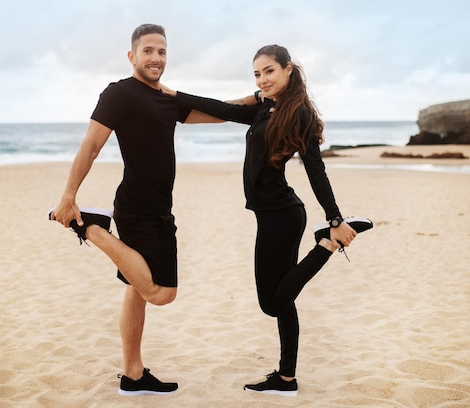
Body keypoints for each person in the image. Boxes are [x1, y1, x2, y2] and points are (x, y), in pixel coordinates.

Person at [161, 44, 371, 396]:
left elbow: (315, 169)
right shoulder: (263, 107)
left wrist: (334, 217)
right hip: (272, 214)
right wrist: (176, 96)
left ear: (288, 69)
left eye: (269, 71)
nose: (263, 79)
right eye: (257, 74)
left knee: (271, 303)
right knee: (283, 299)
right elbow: (222, 109)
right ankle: (286, 378)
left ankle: (328, 243)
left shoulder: (298, 113)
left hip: (283, 216)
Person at [49, 24, 221, 396]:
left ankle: (133, 374)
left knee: (136, 289)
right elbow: (91, 145)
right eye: (148, 51)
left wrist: (263, 102)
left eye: (161, 51)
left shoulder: (169, 100)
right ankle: (91, 229)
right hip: (137, 208)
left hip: (160, 208)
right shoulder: (119, 94)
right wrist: (69, 197)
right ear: (132, 56)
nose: (156, 58)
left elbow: (219, 112)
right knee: (162, 293)